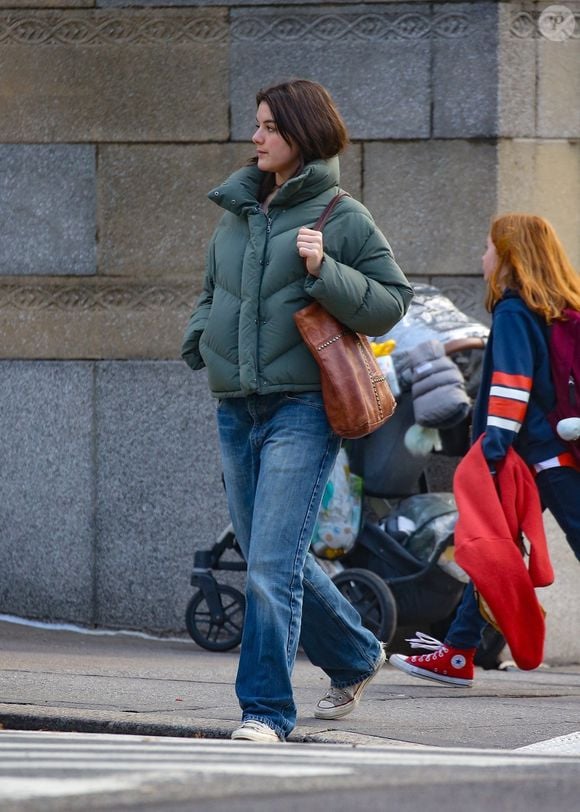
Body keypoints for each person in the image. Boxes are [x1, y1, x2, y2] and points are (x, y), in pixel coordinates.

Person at [181, 79, 413, 742]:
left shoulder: (341, 215)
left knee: (270, 565)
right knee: (266, 554)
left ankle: (264, 710)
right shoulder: (237, 210)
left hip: (303, 409)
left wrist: (324, 270)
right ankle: (357, 653)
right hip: (236, 406)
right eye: (255, 125)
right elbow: (210, 289)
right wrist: (201, 338)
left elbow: (392, 302)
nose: (254, 137)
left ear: (301, 135)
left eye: (267, 127)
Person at [390, 213, 580, 687]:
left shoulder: (516, 310)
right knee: (493, 549)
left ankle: (459, 650)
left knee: (494, 546)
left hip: (534, 458)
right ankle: (459, 651)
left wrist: (491, 453)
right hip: (552, 454)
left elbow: (512, 390)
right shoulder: (557, 308)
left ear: (509, 256)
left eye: (488, 248)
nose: (483, 257)